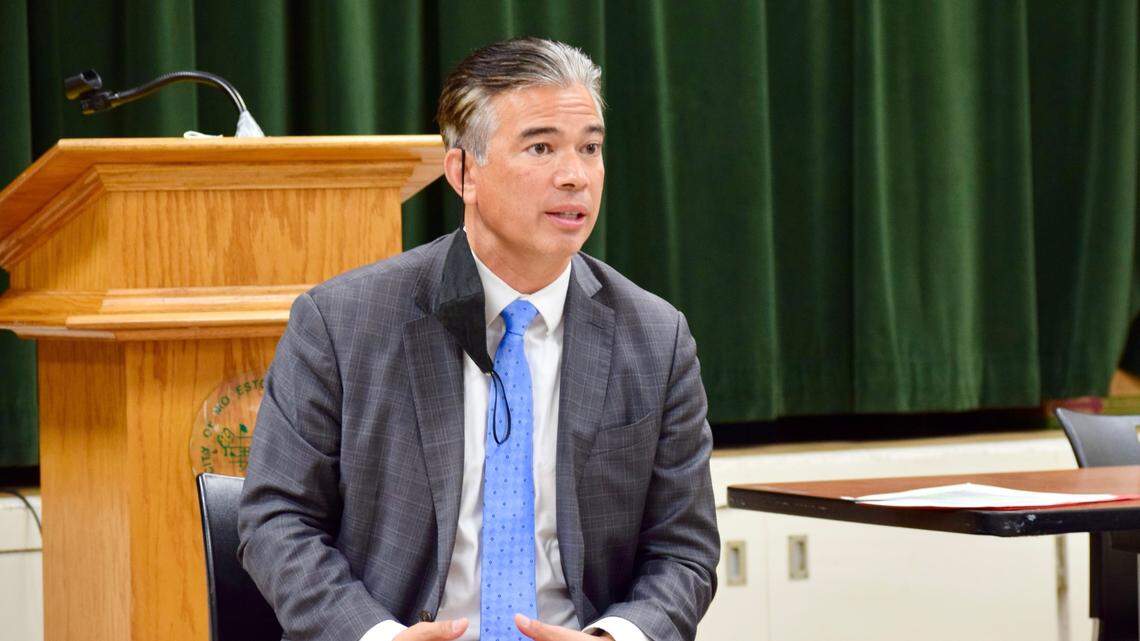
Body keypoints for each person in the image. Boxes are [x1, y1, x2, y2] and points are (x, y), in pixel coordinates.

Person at [238, 37, 719, 641]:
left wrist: (617, 635)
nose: (574, 176)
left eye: (590, 148)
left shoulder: (654, 338)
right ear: (463, 171)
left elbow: (684, 550)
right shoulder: (342, 323)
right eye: (541, 147)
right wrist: (377, 636)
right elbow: (276, 520)